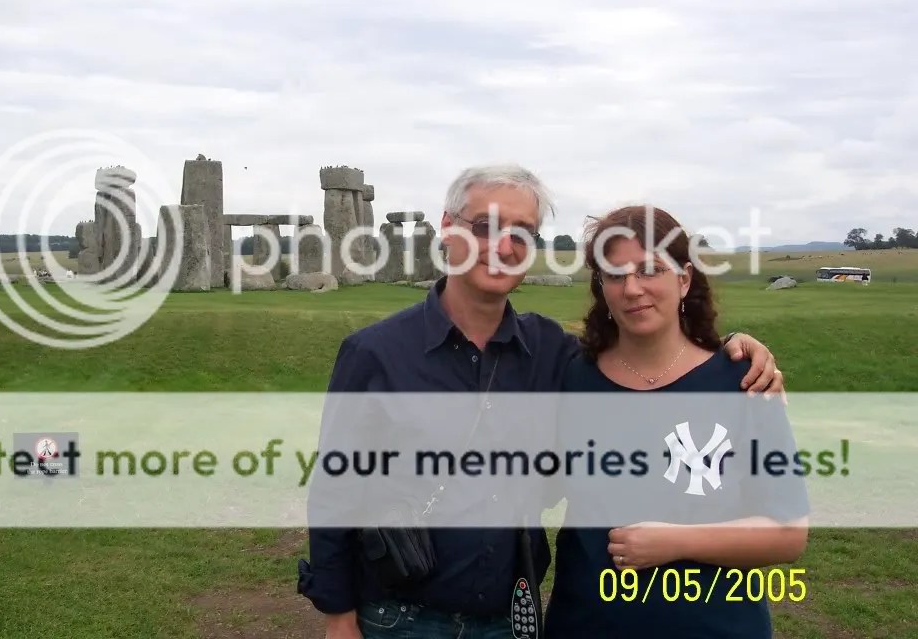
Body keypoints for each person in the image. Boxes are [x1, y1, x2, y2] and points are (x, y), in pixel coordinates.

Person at [297, 165, 785, 639]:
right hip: (401, 619)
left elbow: (645, 357)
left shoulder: (552, 353)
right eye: (486, 226)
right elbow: (335, 491)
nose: (504, 246)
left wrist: (730, 353)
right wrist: (338, 618)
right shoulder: (375, 354)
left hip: (510, 618)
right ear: (447, 226)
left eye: (522, 233)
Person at [542, 205, 809, 639]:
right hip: (585, 624)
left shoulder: (742, 381)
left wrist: (675, 542)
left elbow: (788, 534)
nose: (632, 288)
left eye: (649, 270)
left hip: (716, 627)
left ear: (684, 279)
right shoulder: (572, 376)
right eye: (614, 274)